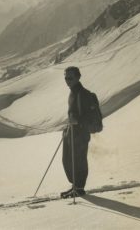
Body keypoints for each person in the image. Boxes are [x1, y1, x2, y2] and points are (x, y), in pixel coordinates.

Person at [61, 66, 91, 198]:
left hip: (80, 133)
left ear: (78, 77)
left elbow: (91, 116)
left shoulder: (83, 94)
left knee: (79, 161)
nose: (67, 80)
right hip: (72, 132)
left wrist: (77, 121)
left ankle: (79, 188)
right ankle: (75, 185)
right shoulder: (73, 92)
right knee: (67, 160)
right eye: (66, 78)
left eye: (70, 78)